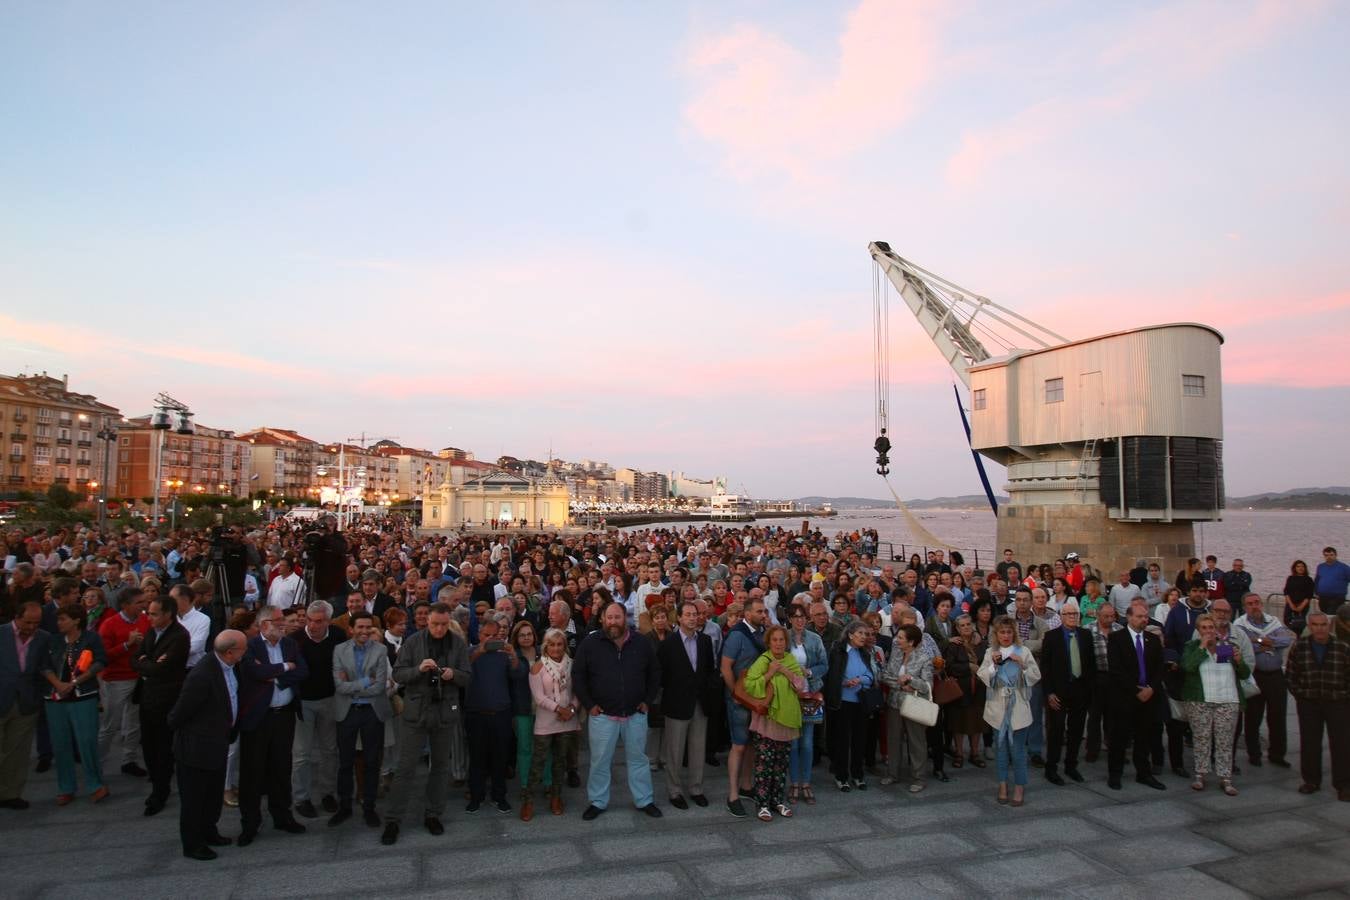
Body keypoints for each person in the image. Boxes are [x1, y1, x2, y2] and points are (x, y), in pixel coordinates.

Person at [381, 602, 471, 846]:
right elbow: (398, 674)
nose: (439, 629)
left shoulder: (458, 643)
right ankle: (393, 819)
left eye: (443, 624)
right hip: (416, 712)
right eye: (435, 624)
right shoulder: (413, 642)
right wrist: (419, 670)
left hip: (444, 711)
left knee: (440, 766)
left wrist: (454, 674)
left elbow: (467, 677)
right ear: (426, 621)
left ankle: (433, 814)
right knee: (406, 767)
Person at [572, 601, 662, 820]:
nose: (613, 622)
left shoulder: (641, 642)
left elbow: (654, 673)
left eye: (617, 617)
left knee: (638, 759)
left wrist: (647, 700)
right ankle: (598, 801)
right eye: (609, 617)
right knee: (600, 760)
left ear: (625, 619)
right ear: (603, 619)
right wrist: (589, 704)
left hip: (635, 714)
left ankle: (644, 799)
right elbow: (578, 675)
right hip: (602, 715)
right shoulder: (591, 643)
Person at [235, 605, 309, 846]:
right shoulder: (251, 646)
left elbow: (303, 672)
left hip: (284, 716)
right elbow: (254, 672)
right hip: (258, 718)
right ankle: (250, 823)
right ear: (264, 624)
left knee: (281, 768)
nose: (282, 624)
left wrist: (275, 677)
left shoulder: (289, 645)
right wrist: (286, 668)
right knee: (253, 772)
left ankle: (282, 815)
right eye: (277, 621)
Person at [169, 629, 246, 860]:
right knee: (195, 798)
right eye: (243, 649)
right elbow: (179, 714)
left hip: (218, 742)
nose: (246, 653)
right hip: (196, 748)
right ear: (230, 652)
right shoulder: (203, 675)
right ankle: (193, 844)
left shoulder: (230, 667)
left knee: (212, 795)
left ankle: (209, 831)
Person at [40, 603, 108, 805]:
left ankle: (95, 784)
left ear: (76, 620)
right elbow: (43, 666)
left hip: (83, 695)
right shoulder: (53, 640)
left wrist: (75, 682)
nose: (59, 623)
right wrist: (58, 684)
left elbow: (100, 661)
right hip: (55, 698)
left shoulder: (91, 638)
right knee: (60, 743)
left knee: (87, 741)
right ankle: (66, 787)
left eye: (63, 619)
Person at [657, 599, 720, 811]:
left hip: (700, 702)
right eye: (689, 614)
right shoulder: (668, 644)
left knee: (697, 748)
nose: (693, 618)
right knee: (674, 750)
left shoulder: (704, 641)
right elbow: (662, 675)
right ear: (680, 618)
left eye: (696, 614)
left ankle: (696, 788)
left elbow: (710, 670)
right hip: (676, 703)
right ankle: (674, 791)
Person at [329, 611, 391, 828]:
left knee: (372, 761)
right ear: (351, 629)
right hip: (347, 712)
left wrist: (354, 686)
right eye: (360, 627)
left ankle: (369, 806)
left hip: (372, 712)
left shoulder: (381, 650)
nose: (364, 631)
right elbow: (339, 686)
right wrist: (365, 681)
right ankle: (344, 807)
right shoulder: (339, 650)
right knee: (345, 761)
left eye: (368, 627)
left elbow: (379, 686)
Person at [131, 592, 189, 816]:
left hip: (166, 699)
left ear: (169, 614)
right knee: (148, 743)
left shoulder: (179, 636)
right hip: (147, 697)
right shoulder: (151, 632)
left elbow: (160, 668)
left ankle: (160, 790)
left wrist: (147, 663)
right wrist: (147, 663)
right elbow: (135, 659)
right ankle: (155, 777)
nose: (149, 617)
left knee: (163, 747)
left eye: (154, 614)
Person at [742, 624, 807, 820]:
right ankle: (762, 804)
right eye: (775, 640)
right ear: (769, 642)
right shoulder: (763, 660)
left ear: (786, 642)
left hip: (786, 719)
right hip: (767, 719)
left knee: (781, 763)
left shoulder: (790, 660)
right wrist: (770, 672)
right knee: (764, 763)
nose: (778, 643)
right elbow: (750, 685)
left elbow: (801, 686)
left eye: (782, 640)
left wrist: (785, 672)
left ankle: (777, 800)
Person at [1181, 612, 1249, 796]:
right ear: (1198, 630)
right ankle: (1200, 774)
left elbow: (1243, 673)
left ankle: (1225, 777)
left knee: (1224, 739)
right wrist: (1202, 647)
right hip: (1201, 700)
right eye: (1204, 628)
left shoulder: (1225, 648)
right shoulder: (1192, 646)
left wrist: (1239, 661)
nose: (1208, 631)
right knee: (1201, 738)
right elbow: (1187, 667)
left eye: (1211, 627)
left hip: (1227, 699)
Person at [1285, 611, 1349, 800]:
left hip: (1338, 703)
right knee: (1310, 742)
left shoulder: (1342, 648)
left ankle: (1344, 784)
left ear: (1329, 626)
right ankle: (1311, 780)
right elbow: (1290, 675)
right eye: (1315, 625)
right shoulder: (1300, 646)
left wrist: (1345, 697)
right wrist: (1301, 696)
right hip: (1309, 703)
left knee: (1342, 745)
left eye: (1323, 624)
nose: (1320, 628)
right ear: (1310, 627)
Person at [291, 599, 346, 820]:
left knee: (329, 750)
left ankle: (327, 793)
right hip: (303, 701)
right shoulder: (295, 640)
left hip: (329, 699)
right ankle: (301, 797)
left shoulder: (338, 636)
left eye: (319, 621)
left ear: (328, 621)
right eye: (310, 621)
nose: (313, 626)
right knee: (302, 754)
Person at [979, 614, 1041, 806]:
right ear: (996, 635)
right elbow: (983, 675)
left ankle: (1020, 786)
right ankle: (1003, 784)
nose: (1005, 636)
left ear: (1013, 633)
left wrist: (1022, 666)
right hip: (998, 707)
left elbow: (1035, 675)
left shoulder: (1023, 651)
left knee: (1018, 750)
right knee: (1001, 749)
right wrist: (993, 667)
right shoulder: (991, 652)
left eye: (1008, 632)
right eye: (1001, 632)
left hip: (1018, 707)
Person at [1107, 600, 1167, 791]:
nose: (1144, 620)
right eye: (1140, 616)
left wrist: (1151, 688)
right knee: (1119, 738)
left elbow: (1159, 668)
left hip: (1148, 697)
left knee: (1144, 737)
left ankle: (1144, 773)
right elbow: (1116, 670)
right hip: (1125, 697)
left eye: (1146, 617)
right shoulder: (1116, 639)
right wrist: (1135, 690)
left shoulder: (1153, 639)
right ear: (1129, 617)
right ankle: (1115, 774)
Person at [524, 628, 579, 819]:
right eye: (552, 644)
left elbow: (577, 692)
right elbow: (539, 698)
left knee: (560, 762)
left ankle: (556, 797)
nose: (556, 648)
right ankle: (528, 800)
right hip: (546, 721)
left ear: (565, 645)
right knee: (538, 762)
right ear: (546, 646)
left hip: (567, 720)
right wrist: (559, 709)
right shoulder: (537, 667)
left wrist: (571, 708)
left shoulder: (572, 665)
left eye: (560, 644)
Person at [720, 595, 767, 818]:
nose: (763, 615)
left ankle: (747, 786)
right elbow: (726, 667)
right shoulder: (737, 635)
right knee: (738, 745)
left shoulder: (761, 633)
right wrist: (734, 693)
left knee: (751, 745)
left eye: (764, 611)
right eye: (759, 612)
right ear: (747, 614)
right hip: (739, 699)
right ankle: (732, 795)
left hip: (756, 698)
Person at [95, 586, 150, 776]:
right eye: (139, 602)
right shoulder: (109, 625)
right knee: (110, 725)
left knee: (134, 723)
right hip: (115, 680)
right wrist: (127, 644)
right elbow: (103, 656)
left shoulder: (145, 620)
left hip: (138, 678)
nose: (144, 605)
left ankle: (129, 760)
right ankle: (97, 764)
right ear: (125, 605)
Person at [465, 614, 515, 815]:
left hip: (501, 714)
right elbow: (462, 669)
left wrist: (511, 654)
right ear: (479, 634)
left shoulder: (504, 654)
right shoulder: (470, 651)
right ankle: (476, 797)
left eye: (495, 635)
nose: (491, 639)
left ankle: (499, 796)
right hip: (476, 714)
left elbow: (518, 674)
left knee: (500, 758)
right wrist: (480, 650)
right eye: (487, 635)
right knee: (477, 758)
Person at [1040, 599, 1094, 785]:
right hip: (1058, 692)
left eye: (1075, 614)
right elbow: (1045, 667)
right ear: (1061, 617)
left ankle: (1071, 765)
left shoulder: (1086, 635)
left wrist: (1088, 691)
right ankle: (1051, 768)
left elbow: (1091, 665)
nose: (1072, 617)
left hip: (1080, 691)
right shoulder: (1052, 637)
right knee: (1056, 731)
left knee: (1076, 730)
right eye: (1069, 614)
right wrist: (1049, 693)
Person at [0, 602, 48, 809]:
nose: (31, 627)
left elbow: (44, 669)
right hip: (2, 698)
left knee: (18, 752)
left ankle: (10, 794)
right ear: (16, 617)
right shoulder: (1, 634)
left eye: (36, 623)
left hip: (26, 703)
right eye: (27, 622)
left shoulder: (43, 638)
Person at [824, 620, 878, 792]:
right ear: (850, 635)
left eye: (866, 634)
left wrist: (860, 680)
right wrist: (843, 682)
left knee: (859, 740)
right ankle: (841, 776)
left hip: (860, 702)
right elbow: (831, 675)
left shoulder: (864, 653)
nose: (864, 637)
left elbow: (871, 677)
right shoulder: (837, 651)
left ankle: (857, 774)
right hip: (842, 702)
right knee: (842, 740)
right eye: (860, 633)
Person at [882, 623, 933, 793]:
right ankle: (892, 773)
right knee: (893, 739)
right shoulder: (896, 654)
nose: (897, 640)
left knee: (916, 740)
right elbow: (885, 675)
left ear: (911, 642)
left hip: (914, 704)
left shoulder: (924, 658)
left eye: (901, 638)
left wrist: (910, 680)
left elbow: (927, 685)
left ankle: (919, 777)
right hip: (895, 702)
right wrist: (900, 683)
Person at [785, 602, 827, 803]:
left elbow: (824, 665)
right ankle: (794, 782)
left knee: (808, 742)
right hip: (789, 694)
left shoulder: (815, 639)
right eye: (796, 616)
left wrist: (809, 672)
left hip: (810, 693)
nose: (800, 620)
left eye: (803, 616)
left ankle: (806, 782)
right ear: (790, 619)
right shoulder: (784, 638)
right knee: (792, 742)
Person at [944, 614, 986, 769]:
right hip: (960, 689)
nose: (966, 627)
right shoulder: (954, 645)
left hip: (979, 688)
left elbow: (987, 662)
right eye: (962, 625)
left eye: (968, 624)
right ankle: (959, 753)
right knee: (958, 723)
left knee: (977, 723)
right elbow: (949, 667)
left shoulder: (981, 643)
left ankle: (975, 753)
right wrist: (968, 666)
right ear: (957, 628)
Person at [1085, 603, 1120, 763]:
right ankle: (1092, 749)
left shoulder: (1119, 630)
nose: (1110, 619)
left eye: (1112, 616)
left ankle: (1114, 747)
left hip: (1115, 678)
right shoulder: (1087, 630)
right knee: (1094, 716)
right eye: (1106, 616)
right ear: (1098, 615)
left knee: (1113, 716)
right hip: (1096, 677)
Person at [1315, 547, 1350, 617]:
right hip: (1323, 597)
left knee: (1331, 616)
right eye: (1326, 555)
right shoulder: (1321, 567)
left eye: (1331, 555)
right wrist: (1316, 592)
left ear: (1335, 555)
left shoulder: (1344, 567)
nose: (1329, 557)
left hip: (1337, 598)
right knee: (1324, 616)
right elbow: (1317, 580)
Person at [1283, 560, 1316, 631]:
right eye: (1298, 566)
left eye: (1302, 566)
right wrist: (1291, 604)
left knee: (1299, 623)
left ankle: (1299, 637)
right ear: (1295, 568)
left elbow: (1309, 594)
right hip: (1290, 604)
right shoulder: (1290, 578)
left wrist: (1301, 606)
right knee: (1287, 621)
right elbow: (1286, 591)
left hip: (1302, 605)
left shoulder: (1308, 579)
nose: (1300, 568)